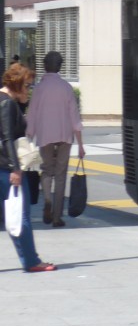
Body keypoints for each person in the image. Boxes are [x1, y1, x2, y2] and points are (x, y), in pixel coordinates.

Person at [0, 63, 56, 272]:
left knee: (15, 215)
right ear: (17, 84)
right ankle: (31, 261)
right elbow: (7, 137)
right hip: (7, 169)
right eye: (28, 86)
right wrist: (16, 168)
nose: (30, 91)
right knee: (20, 214)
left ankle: (30, 259)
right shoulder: (6, 104)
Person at [25, 51, 84, 228]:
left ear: (45, 67)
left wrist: (29, 139)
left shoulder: (39, 89)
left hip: (45, 137)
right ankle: (57, 217)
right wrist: (80, 145)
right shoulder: (66, 87)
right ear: (59, 67)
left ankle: (48, 200)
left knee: (46, 171)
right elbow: (75, 118)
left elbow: (32, 116)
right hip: (65, 136)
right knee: (60, 176)